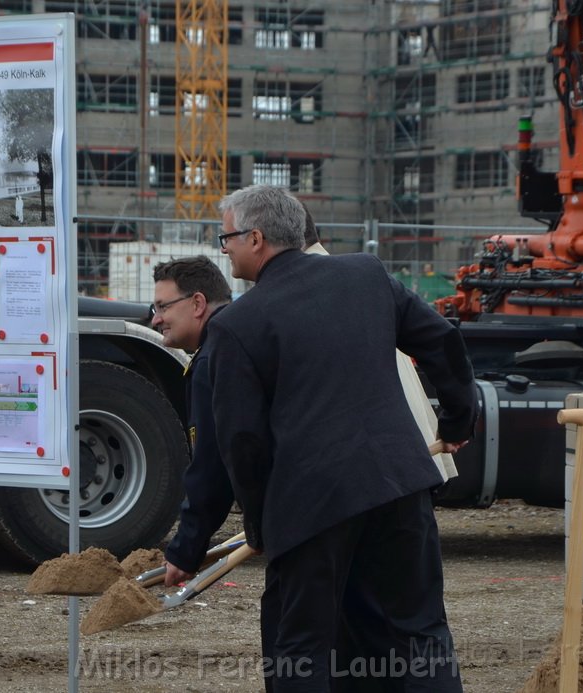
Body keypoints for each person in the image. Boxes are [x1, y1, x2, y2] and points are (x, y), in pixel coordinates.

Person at [208, 184, 478, 691]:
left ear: (256, 238)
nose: (224, 250)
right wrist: (459, 422)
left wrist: (264, 522)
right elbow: (442, 340)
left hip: (311, 507)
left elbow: (242, 441)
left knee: (302, 649)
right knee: (419, 633)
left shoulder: (237, 325)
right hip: (399, 485)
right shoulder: (366, 275)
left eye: (226, 239)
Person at [150, 256, 235, 587]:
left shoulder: (214, 359)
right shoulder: (246, 333)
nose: (156, 320)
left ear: (197, 303)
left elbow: (212, 468)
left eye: (163, 307)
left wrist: (185, 550)